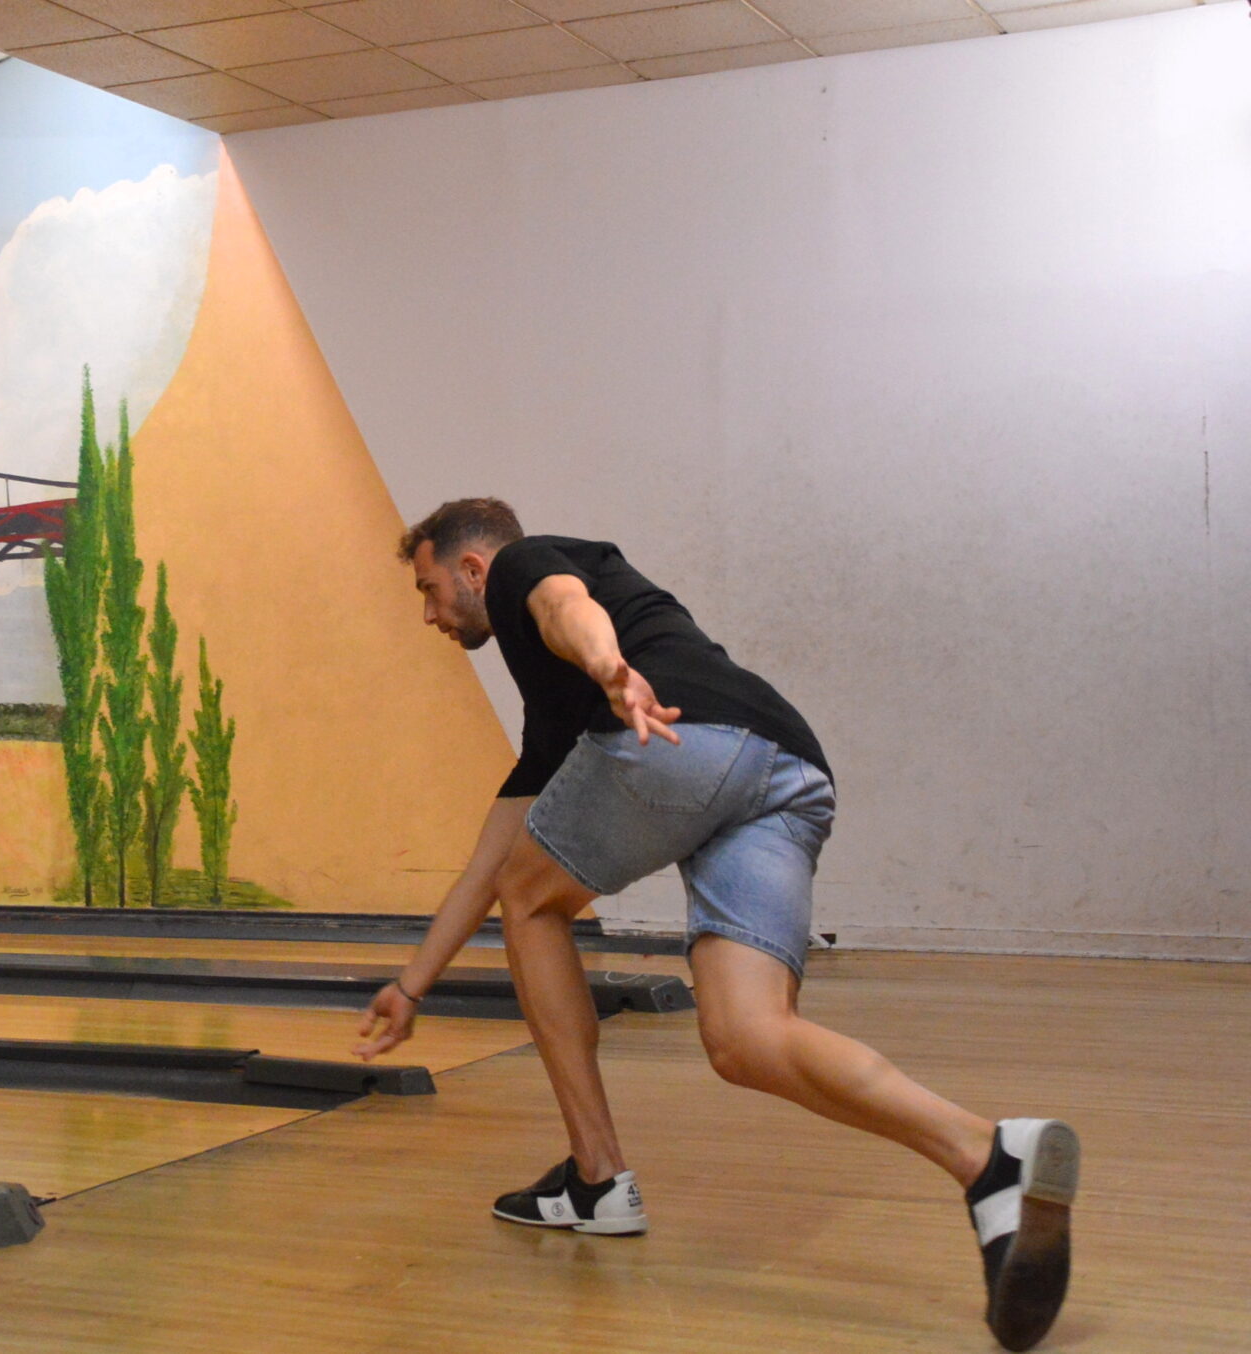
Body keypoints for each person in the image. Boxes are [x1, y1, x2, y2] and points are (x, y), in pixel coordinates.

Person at [354, 497, 1077, 1352]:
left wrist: (611, 668)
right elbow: (484, 868)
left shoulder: (525, 568)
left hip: (680, 733)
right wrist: (411, 987)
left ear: (473, 569)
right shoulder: (552, 719)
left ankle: (597, 1177)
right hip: (787, 767)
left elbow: (562, 607)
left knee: (532, 900)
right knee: (745, 1037)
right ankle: (989, 1156)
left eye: (431, 589)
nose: (431, 613)